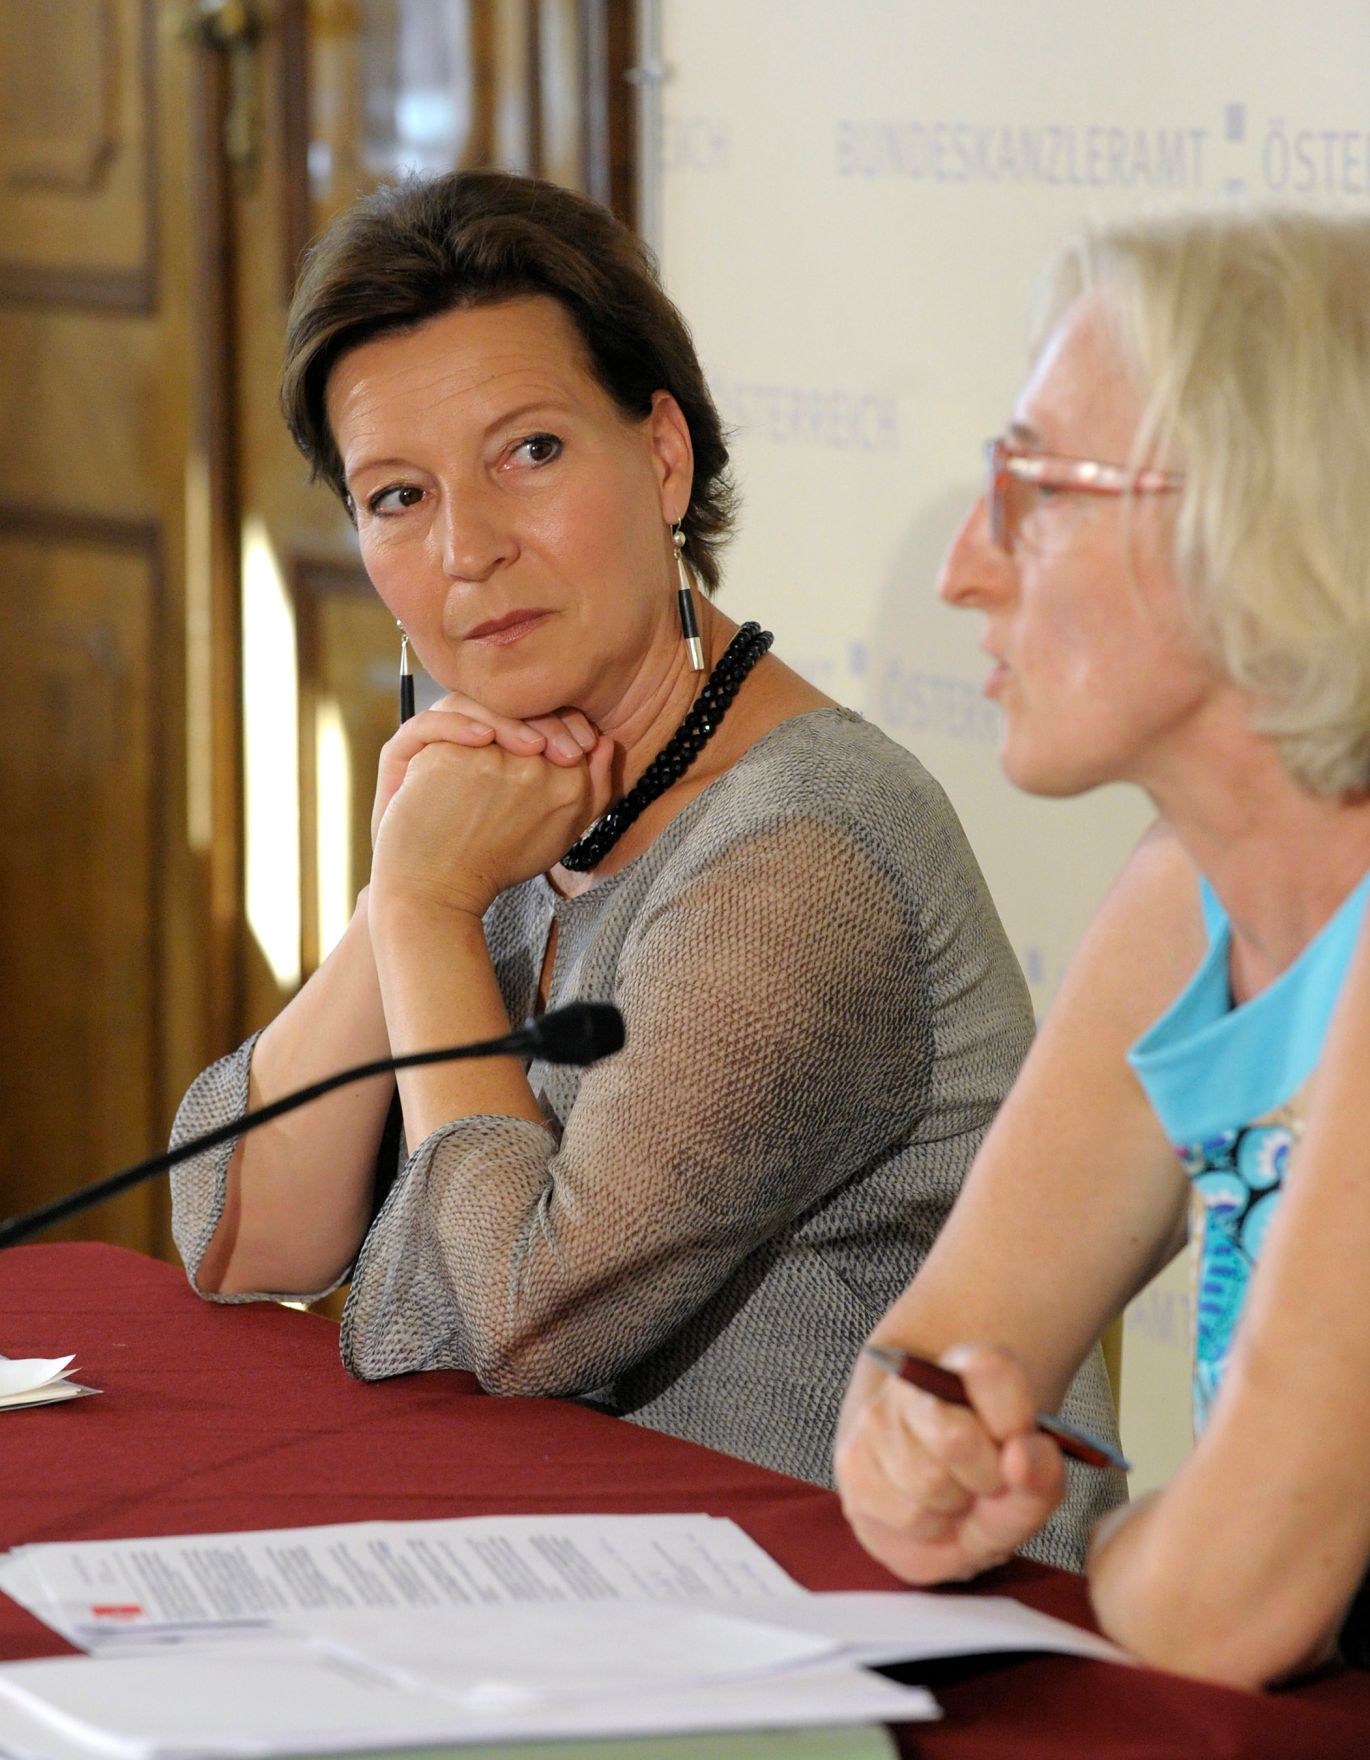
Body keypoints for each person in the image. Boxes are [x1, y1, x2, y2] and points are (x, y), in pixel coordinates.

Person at [168, 170, 1119, 1555]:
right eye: (396, 496)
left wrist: (428, 909)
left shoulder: (802, 849)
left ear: (661, 456)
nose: (468, 551)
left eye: (530, 452)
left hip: (863, 1627)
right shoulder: (514, 795)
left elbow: (520, 1318)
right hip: (609, 1591)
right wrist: (402, 895)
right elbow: (240, 1235)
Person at [833, 208, 1370, 1687]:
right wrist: (916, 1461)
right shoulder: (1180, 888)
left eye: (1035, 489)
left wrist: (1116, 1544)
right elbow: (928, 1358)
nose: (964, 567)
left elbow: (1224, 1610)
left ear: (1267, 524)